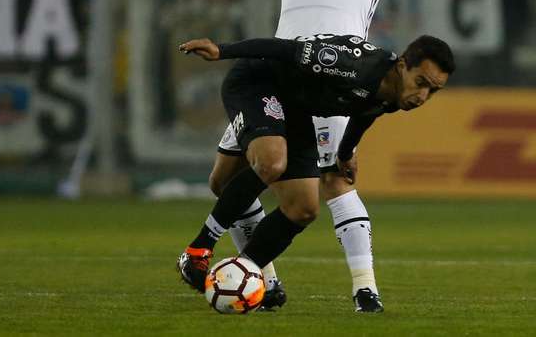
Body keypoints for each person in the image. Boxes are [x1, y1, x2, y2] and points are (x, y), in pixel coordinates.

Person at [178, 0, 449, 312]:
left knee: (335, 180)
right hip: (276, 76)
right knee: (226, 181)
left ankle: (364, 288)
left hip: (339, 79)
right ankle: (261, 276)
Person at [177, 34, 455, 312]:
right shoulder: (352, 64)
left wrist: (345, 153)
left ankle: (243, 273)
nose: (422, 97)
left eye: (433, 91)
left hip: (296, 109)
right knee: (271, 164)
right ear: (402, 65)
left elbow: (366, 113)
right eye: (421, 84)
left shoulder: (396, 94)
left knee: (304, 208)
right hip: (257, 83)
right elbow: (284, 49)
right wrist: (222, 50)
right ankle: (197, 251)